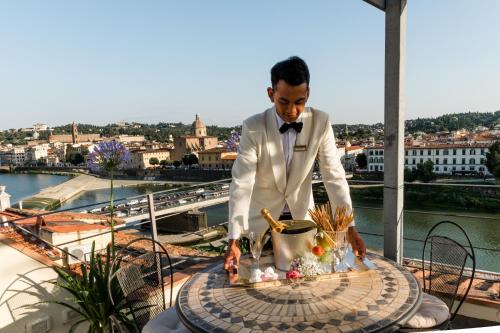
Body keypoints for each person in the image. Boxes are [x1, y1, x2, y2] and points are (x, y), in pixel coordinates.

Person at [224, 56, 366, 271]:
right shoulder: (252, 127)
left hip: (303, 223)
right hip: (262, 227)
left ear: (307, 93)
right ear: (271, 94)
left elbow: (334, 176)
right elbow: (242, 183)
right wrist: (233, 239)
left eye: (299, 102)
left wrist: (349, 227)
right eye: (284, 102)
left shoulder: (321, 122)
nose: (292, 110)